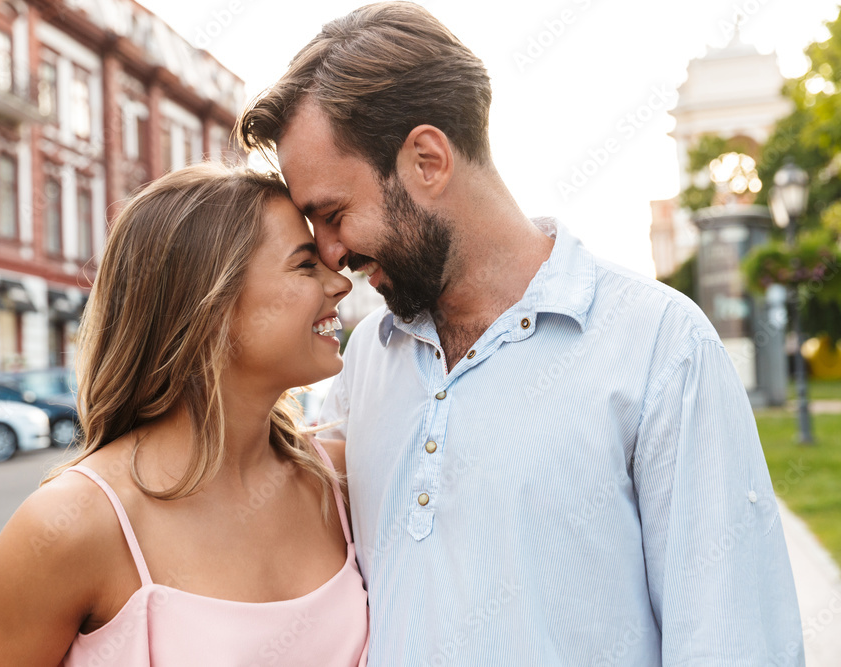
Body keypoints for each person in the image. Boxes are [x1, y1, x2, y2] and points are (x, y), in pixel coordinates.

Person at [236, 2, 805, 665]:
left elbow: (734, 643)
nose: (330, 253)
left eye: (333, 213)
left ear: (427, 159)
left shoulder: (660, 347)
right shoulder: (367, 358)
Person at [0, 164, 369, 666]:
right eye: (306, 266)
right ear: (209, 304)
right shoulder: (71, 528)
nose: (340, 282)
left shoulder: (343, 481)